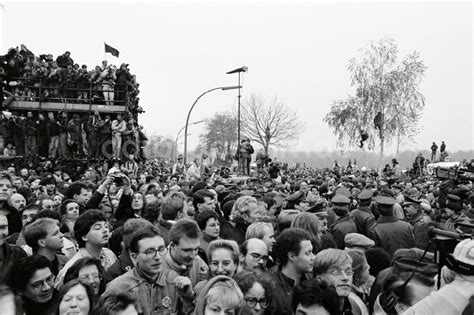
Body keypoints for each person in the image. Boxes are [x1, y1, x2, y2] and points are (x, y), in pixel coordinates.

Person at [105, 225, 195, 314]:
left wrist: (189, 297)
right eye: (149, 252)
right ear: (134, 257)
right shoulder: (117, 288)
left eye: (161, 249)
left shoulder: (174, 280)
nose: (158, 257)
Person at [56, 210, 117, 288]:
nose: (105, 230)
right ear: (84, 236)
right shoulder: (73, 267)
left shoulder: (109, 254)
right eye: (98, 228)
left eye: (106, 226)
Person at [271, 228, 315, 315]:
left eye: (312, 252)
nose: (313, 257)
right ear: (292, 256)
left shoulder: (313, 280)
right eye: (308, 253)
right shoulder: (270, 287)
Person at [313, 248, 368, 314]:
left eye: (348, 272)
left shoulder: (355, 307)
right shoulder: (309, 309)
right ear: (319, 278)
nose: (345, 278)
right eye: (335, 272)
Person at [162, 218, 209, 287]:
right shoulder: (158, 267)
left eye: (196, 249)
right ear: (172, 246)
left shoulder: (199, 263)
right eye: (187, 250)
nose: (193, 255)